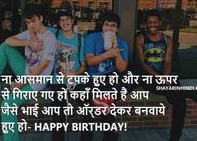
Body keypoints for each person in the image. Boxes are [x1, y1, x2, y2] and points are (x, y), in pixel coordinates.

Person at [0, 4, 57, 141]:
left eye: (33, 21)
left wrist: (21, 83)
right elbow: (8, 41)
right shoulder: (29, 34)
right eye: (28, 22)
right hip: (25, 71)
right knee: (5, 47)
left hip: (37, 80)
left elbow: (43, 66)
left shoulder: (50, 38)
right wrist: (29, 43)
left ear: (41, 18)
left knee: (7, 106)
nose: (31, 25)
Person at [135, 9, 197, 141]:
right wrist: (158, 77)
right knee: (177, 93)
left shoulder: (167, 39)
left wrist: (165, 77)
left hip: (165, 75)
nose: (152, 24)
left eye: (155, 22)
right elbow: (142, 62)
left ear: (160, 22)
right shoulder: (140, 38)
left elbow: (168, 61)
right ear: (146, 24)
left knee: (180, 104)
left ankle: (174, 138)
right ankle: (191, 93)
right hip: (148, 76)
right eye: (149, 22)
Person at [82, 11, 129, 141]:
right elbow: (90, 62)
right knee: (90, 114)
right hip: (94, 79)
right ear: (102, 26)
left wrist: (116, 51)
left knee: (106, 110)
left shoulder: (122, 43)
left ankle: (110, 136)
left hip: (111, 79)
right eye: (106, 24)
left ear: (117, 29)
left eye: (113, 25)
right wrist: (107, 54)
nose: (109, 28)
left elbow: (122, 69)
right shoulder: (93, 38)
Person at [50, 8, 87, 141]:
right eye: (62, 20)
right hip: (58, 81)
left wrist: (74, 74)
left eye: (67, 19)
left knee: (88, 111)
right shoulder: (53, 35)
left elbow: (84, 65)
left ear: (72, 21)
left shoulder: (80, 39)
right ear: (59, 23)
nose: (65, 22)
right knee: (58, 114)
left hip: (76, 80)